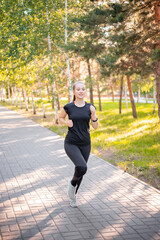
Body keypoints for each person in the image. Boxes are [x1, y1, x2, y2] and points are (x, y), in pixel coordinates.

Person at [59, 81, 98, 207]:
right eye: (78, 89)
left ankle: (73, 196)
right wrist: (66, 123)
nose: (81, 91)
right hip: (71, 143)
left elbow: (95, 126)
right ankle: (71, 188)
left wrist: (93, 114)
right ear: (74, 91)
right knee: (82, 167)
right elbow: (60, 118)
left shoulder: (90, 107)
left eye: (83, 89)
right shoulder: (69, 107)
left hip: (85, 143)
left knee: (80, 170)